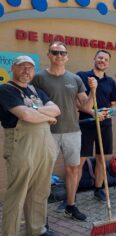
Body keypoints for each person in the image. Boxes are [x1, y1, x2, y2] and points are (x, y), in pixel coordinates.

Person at [31, 41, 97, 221]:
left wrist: (93, 91)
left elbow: (85, 106)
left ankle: (71, 205)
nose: (59, 56)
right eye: (55, 52)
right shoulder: (38, 78)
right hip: (48, 132)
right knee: (43, 172)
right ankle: (39, 215)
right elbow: (31, 104)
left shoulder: (75, 79)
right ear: (49, 55)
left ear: (67, 57)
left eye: (62, 53)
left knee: (73, 169)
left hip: (73, 131)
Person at [0, 56, 61, 236]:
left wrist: (38, 112)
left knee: (41, 190)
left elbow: (57, 109)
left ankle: (36, 229)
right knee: (17, 193)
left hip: (44, 145)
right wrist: (46, 116)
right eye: (22, 67)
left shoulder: (36, 90)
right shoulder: (6, 89)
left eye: (30, 67)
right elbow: (25, 115)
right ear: (13, 68)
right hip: (21, 145)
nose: (26, 70)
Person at [77, 50, 116, 202]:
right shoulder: (82, 76)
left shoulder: (111, 82)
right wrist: (93, 112)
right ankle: (71, 196)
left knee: (101, 158)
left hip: (105, 125)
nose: (102, 61)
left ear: (108, 63)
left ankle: (98, 188)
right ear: (94, 58)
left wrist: (111, 111)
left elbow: (113, 105)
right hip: (86, 125)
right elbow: (78, 103)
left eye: (106, 59)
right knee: (79, 161)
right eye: (100, 57)